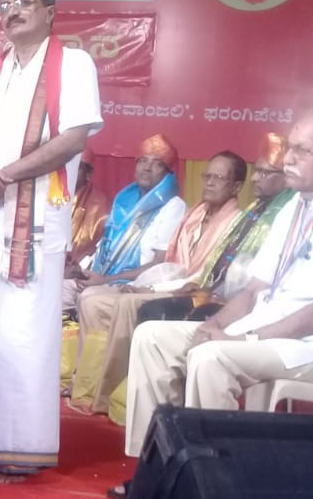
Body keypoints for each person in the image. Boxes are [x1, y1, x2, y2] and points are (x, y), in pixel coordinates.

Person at [116, 111, 313, 498]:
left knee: (212, 357)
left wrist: (245, 339)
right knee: (152, 337)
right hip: (263, 329)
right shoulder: (293, 208)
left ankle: (216, 484)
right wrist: (215, 325)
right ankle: (155, 472)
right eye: (290, 148)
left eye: (303, 151)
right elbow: (253, 291)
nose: (289, 158)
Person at [0, 0, 103, 482]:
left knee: (23, 335)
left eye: (25, 3)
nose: (13, 11)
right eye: (7, 4)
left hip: (33, 222)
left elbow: (73, 138)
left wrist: (5, 175)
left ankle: (19, 452)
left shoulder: (73, 64)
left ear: (50, 12)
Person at [69, 151, 245, 415]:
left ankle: (110, 395)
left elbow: (203, 278)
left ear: (237, 186)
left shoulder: (234, 223)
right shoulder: (196, 215)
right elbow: (170, 266)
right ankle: (87, 385)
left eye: (218, 178)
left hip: (197, 295)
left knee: (127, 304)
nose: (209, 182)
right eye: (207, 176)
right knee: (93, 303)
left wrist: (148, 288)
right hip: (166, 284)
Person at [138, 133, 294, 323]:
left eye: (264, 173)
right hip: (205, 289)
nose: (254, 178)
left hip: (244, 301)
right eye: (207, 176)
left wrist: (161, 288)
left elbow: (248, 275)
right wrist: (200, 285)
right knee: (141, 308)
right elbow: (215, 268)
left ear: (287, 177)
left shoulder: (284, 214)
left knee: (149, 311)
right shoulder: (253, 211)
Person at [61, 135, 186, 313]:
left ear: (167, 173)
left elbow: (159, 263)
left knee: (88, 298)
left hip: (134, 285)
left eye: (157, 164)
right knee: (58, 290)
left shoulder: (173, 206)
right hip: (102, 279)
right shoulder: (125, 201)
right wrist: (81, 270)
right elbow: (104, 248)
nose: (147, 168)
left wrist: (105, 281)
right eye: (142, 161)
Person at [66, 148, 110, 275]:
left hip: (79, 271)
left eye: (76, 167)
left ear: (88, 173)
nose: (69, 171)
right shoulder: (50, 196)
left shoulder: (99, 204)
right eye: (66, 166)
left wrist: (78, 268)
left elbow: (96, 248)